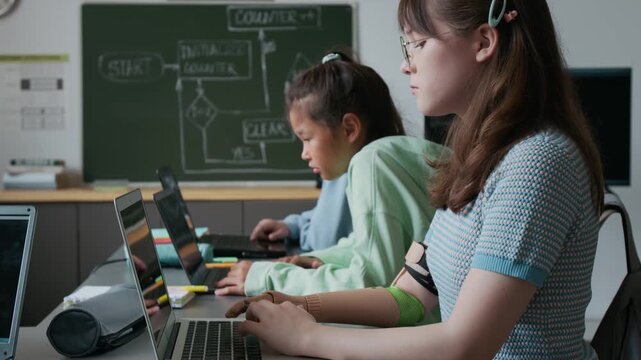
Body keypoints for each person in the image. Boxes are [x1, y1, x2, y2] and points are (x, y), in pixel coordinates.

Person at [226, 0, 605, 359]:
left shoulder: (536, 161)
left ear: (484, 42)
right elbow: (409, 296)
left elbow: (465, 346)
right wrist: (296, 305)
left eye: (418, 44)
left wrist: (308, 336)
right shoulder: (481, 162)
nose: (407, 65)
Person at [215, 52, 444, 300]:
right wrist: (317, 259)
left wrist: (267, 277)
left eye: (307, 139)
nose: (304, 153)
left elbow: (369, 282)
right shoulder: (398, 154)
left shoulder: (372, 162)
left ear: (349, 128)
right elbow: (362, 245)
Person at [249, 172, 352, 252]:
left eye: (309, 143)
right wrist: (293, 226)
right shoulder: (338, 164)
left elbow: (325, 243)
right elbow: (325, 215)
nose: (304, 154)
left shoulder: (350, 167)